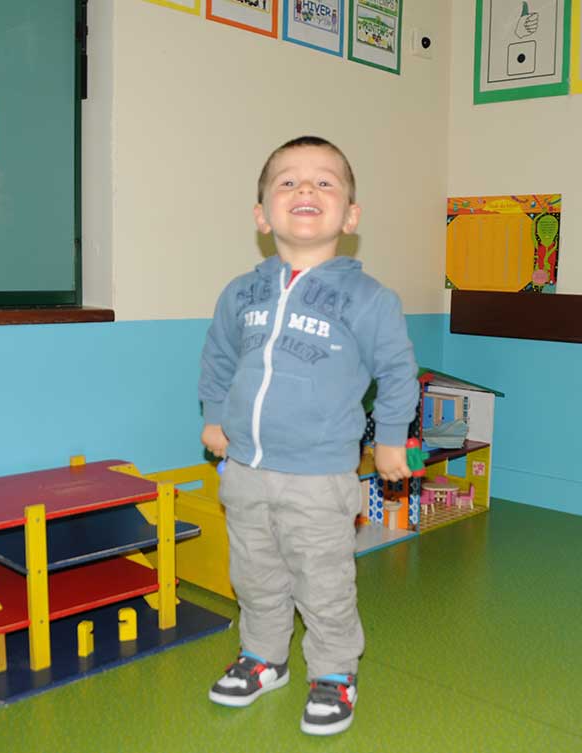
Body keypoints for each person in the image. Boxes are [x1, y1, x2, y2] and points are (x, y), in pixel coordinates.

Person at [198, 136, 419, 736]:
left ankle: (334, 672)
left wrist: (391, 438)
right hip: (246, 470)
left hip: (320, 476)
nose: (305, 189)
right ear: (262, 214)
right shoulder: (240, 293)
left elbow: (398, 372)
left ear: (350, 216)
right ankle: (263, 658)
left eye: (325, 182)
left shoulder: (369, 299)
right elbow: (218, 358)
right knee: (255, 576)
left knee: (323, 583)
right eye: (288, 181)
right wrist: (215, 416)